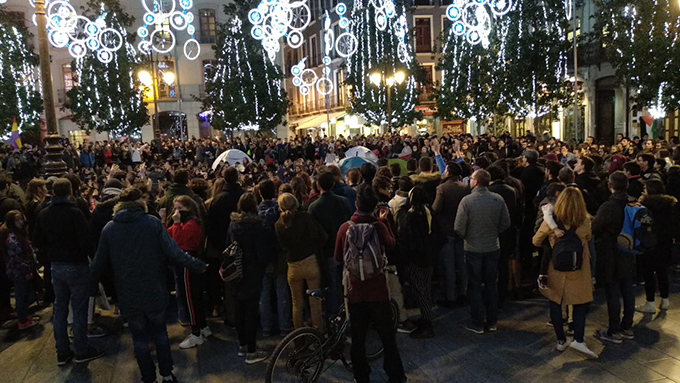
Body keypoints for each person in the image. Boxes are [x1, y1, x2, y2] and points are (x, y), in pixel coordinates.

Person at [91, 187, 206, 382]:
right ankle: (167, 375)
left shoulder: (110, 229)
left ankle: (148, 377)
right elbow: (174, 252)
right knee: (160, 333)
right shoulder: (151, 223)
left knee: (139, 338)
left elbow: (98, 263)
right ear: (140, 204)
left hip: (128, 291)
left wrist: (90, 288)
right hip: (154, 288)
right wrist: (197, 265)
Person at [334, 184, 406, 383]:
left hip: (355, 290)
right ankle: (395, 374)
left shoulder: (345, 228)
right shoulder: (379, 226)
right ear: (374, 206)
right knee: (387, 335)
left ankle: (362, 376)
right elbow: (391, 245)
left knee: (358, 338)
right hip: (378, 289)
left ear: (356, 204)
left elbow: (338, 256)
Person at [32, 178, 103, 366]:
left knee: (60, 309)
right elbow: (86, 241)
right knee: (79, 310)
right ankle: (81, 349)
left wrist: (50, 253)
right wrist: (93, 260)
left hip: (56, 266)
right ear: (70, 192)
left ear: (53, 192)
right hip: (76, 264)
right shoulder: (75, 214)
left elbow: (37, 240)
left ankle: (62, 352)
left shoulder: (44, 214)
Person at [533, 187, 598, 359]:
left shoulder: (551, 220)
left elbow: (536, 240)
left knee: (556, 302)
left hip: (557, 268)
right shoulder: (584, 221)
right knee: (579, 304)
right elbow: (588, 238)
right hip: (579, 268)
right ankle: (579, 339)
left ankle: (560, 340)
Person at [454, 169, 511, 334]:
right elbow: (505, 222)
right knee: (492, 284)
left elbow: (458, 227)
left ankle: (478, 322)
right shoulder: (497, 199)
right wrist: (493, 232)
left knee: (475, 285)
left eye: (471, 178)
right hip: (493, 246)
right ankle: (492, 321)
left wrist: (468, 235)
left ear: (476, 182)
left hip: (473, 247)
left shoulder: (467, 201)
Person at [228, 193, 272, 364]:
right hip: (252, 273)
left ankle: (243, 345)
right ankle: (252, 351)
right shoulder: (257, 226)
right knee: (251, 312)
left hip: (235, 271)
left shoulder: (233, 224)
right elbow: (262, 254)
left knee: (239, 309)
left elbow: (228, 245)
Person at [593, 171, 636, 344]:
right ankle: (627, 326)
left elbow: (595, 227)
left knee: (613, 290)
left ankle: (614, 330)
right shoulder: (634, 203)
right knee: (627, 288)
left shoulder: (609, 206)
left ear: (610, 186)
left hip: (612, 251)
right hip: (630, 250)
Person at [164, 196, 211, 349]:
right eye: (175, 208)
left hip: (187, 264)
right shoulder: (187, 222)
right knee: (192, 297)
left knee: (190, 298)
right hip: (185, 263)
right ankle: (202, 327)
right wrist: (165, 221)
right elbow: (168, 235)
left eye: (180, 209)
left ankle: (196, 332)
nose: (177, 212)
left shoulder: (191, 224)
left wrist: (176, 223)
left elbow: (179, 242)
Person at [276, 193, 327, 331]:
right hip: (310, 261)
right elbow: (319, 236)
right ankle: (319, 334)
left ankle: (298, 338)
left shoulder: (279, 225)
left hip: (293, 265)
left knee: (296, 303)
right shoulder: (305, 217)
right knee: (314, 302)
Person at [397, 186, 442, 338]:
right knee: (426, 288)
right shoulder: (429, 211)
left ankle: (427, 323)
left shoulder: (411, 215)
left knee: (419, 290)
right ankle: (426, 316)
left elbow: (409, 240)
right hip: (430, 257)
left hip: (417, 259)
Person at [308, 169, 352, 315]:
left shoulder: (314, 207)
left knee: (333, 287)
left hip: (328, 251)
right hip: (345, 248)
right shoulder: (343, 202)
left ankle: (336, 317)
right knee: (348, 283)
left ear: (318, 185)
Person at [256, 179, 292, 337]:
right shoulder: (280, 211)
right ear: (275, 192)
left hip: (263, 258)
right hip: (279, 256)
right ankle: (284, 326)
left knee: (264, 293)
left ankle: (266, 327)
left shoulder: (255, 212)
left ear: (259, 193)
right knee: (281, 292)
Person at [636, 180, 678, 313]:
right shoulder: (671, 204)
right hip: (665, 241)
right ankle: (665, 300)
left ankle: (650, 303)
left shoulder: (645, 205)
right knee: (662, 271)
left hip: (649, 242)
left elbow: (640, 224)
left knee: (648, 272)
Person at [432, 161, 470, 307]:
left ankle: (450, 296)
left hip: (446, 229)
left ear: (448, 172)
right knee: (462, 263)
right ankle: (463, 292)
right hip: (462, 229)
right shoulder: (465, 187)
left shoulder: (442, 188)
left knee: (449, 264)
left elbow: (436, 209)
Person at [0, 210, 38, 330]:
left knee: (25, 294)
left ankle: (26, 316)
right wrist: (26, 271)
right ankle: (22, 321)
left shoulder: (20, 233)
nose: (21, 222)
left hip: (22, 269)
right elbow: (16, 258)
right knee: (21, 295)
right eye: (17, 220)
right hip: (18, 271)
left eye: (21, 219)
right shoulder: (12, 238)